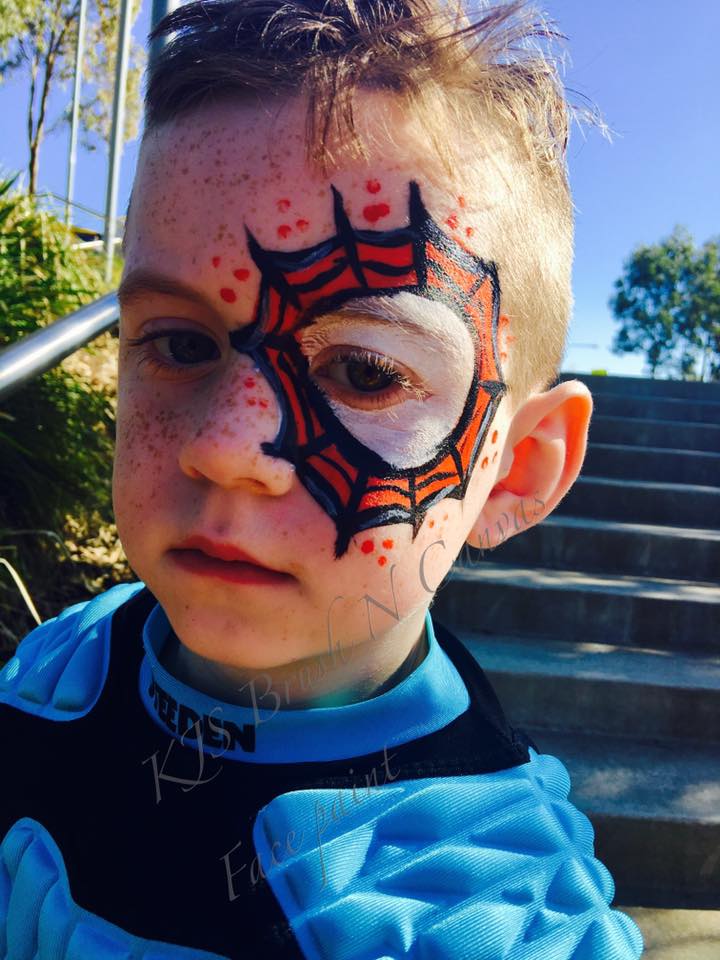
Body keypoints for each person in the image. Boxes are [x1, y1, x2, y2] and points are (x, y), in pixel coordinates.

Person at [0, 1, 645, 957]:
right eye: (180, 344)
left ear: (518, 468)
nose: (226, 447)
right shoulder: (57, 667)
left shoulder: (493, 915)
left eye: (366, 372)